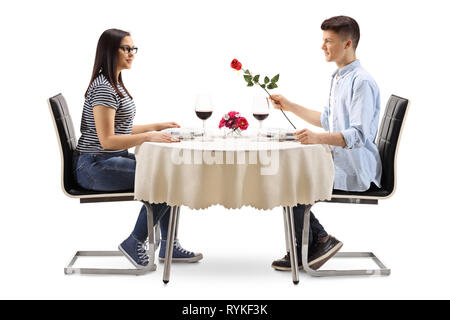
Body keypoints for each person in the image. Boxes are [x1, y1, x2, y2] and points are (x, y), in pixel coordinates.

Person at [73, 28, 203, 269]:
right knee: (169, 179)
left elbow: (119, 127)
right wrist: (148, 136)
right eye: (126, 48)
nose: (132, 53)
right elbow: (107, 140)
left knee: (171, 169)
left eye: (133, 48)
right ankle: (135, 242)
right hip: (95, 166)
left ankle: (167, 245)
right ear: (110, 51)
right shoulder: (104, 88)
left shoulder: (115, 83)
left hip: (107, 160)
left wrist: (156, 126)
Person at [269, 16, 382, 271]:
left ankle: (318, 240)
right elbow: (327, 120)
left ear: (347, 43)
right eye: (323, 40)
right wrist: (289, 105)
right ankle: (307, 247)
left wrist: (318, 138)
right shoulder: (339, 77)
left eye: (328, 41)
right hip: (340, 161)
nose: (323, 46)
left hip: (356, 170)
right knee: (288, 176)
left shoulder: (361, 81)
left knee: (292, 183)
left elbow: (358, 136)